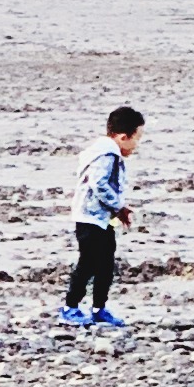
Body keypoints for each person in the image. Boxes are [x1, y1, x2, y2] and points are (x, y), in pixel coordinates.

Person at [60, 104, 145, 334]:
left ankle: (99, 308)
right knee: (88, 263)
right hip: (90, 217)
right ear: (123, 136)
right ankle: (70, 308)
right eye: (136, 139)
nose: (136, 145)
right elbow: (99, 184)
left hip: (103, 218)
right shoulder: (106, 155)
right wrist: (119, 207)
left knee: (106, 264)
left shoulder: (108, 152)